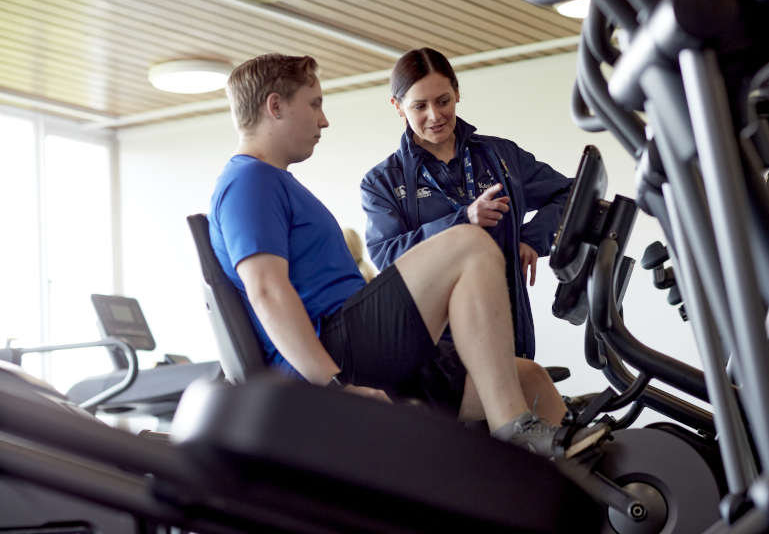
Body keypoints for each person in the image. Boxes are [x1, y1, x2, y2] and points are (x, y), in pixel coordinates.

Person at [207, 53, 606, 459]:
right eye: (314, 104)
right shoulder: (249, 181)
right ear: (275, 106)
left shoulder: (273, 182)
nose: (323, 120)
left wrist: (533, 237)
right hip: (339, 354)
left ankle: (588, 499)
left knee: (529, 378)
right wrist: (333, 387)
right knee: (471, 243)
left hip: (365, 348)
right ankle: (512, 425)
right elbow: (267, 292)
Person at [361, 48, 573, 361]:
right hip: (437, 349)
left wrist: (530, 238)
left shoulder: (500, 155)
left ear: (457, 93)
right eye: (419, 106)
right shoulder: (382, 182)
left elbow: (570, 194)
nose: (435, 115)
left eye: (443, 100)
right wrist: (462, 221)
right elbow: (387, 257)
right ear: (398, 107)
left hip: (513, 333)